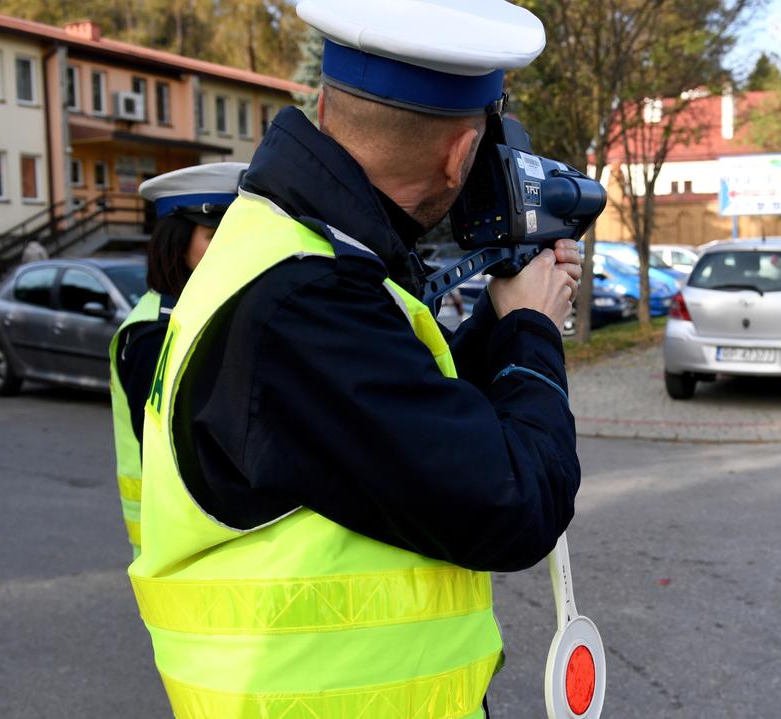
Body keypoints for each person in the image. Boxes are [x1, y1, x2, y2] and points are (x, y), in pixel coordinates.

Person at [127, 1, 582, 716]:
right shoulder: (306, 302)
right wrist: (532, 328)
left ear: (324, 101)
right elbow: (517, 501)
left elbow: (413, 418)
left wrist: (502, 318)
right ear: (462, 156)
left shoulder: (287, 249)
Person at [107, 162, 246, 557]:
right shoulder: (153, 334)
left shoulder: (208, 311)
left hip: (213, 539)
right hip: (184, 548)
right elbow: (182, 449)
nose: (227, 248)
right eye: (212, 235)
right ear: (176, 240)